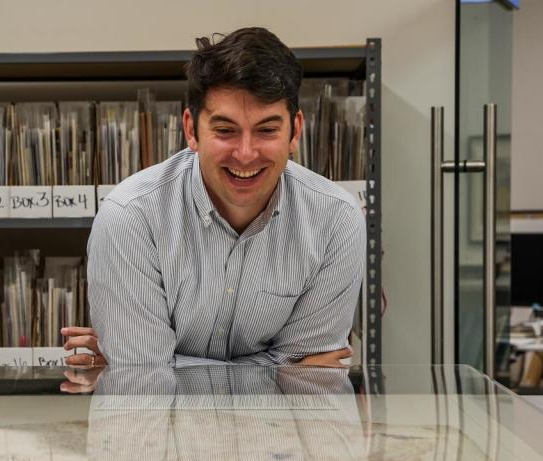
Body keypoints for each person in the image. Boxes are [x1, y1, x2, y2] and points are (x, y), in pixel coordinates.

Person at [64, 27, 365, 369]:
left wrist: (166, 363)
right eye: (225, 130)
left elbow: (308, 386)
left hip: (278, 426)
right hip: (160, 424)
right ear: (192, 130)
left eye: (267, 130)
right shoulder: (130, 216)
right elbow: (143, 385)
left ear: (295, 131)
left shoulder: (337, 220)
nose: (246, 154)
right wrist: (280, 369)